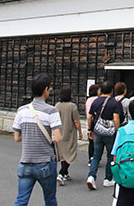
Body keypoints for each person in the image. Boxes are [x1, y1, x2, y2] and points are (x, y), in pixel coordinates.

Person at [12, 73, 63, 206]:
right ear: (46, 89)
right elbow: (57, 138)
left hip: (25, 162)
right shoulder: (51, 111)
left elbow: (17, 138)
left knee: (21, 200)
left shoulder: (21, 110)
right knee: (50, 200)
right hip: (45, 162)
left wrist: (30, 134)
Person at [87, 81, 122, 190]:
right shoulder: (114, 102)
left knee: (96, 155)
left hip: (98, 130)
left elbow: (89, 117)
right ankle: (107, 179)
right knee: (110, 155)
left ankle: (91, 177)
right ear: (112, 90)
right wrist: (118, 131)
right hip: (110, 132)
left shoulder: (96, 101)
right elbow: (116, 118)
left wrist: (89, 129)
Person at [56, 87, 83, 185]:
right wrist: (80, 132)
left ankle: (65, 173)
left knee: (63, 154)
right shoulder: (72, 106)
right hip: (69, 133)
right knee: (70, 153)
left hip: (59, 132)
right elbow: (76, 121)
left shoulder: (57, 106)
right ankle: (61, 173)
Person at [86, 84, 100, 166]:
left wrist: (88, 127)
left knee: (91, 142)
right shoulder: (97, 100)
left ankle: (90, 158)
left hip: (90, 122)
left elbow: (88, 114)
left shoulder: (88, 100)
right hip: (96, 122)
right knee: (97, 143)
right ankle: (95, 158)